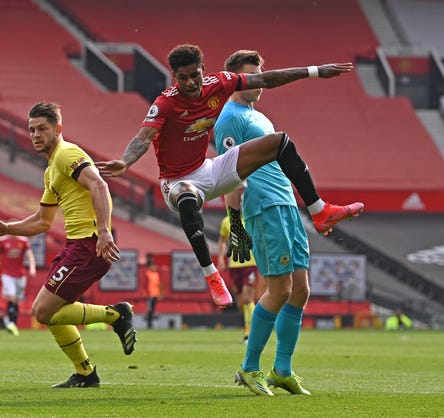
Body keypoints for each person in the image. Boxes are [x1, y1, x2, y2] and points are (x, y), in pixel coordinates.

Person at [96, 44, 364, 310]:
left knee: (279, 142)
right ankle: (212, 276)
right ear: (174, 77)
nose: (190, 82)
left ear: (203, 70)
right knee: (187, 198)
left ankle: (319, 211)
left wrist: (316, 71)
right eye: (182, 77)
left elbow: (266, 79)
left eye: (194, 75)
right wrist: (126, 161)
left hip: (209, 169)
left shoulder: (220, 83)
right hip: (177, 182)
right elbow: (143, 137)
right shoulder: (165, 103)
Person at [0, 101, 137, 388]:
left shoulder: (67, 154)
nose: (36, 135)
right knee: (52, 312)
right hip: (75, 246)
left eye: (42, 128)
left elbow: (99, 185)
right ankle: (86, 373)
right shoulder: (52, 169)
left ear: (58, 129)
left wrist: (103, 232)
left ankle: (115, 315)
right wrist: (6, 228)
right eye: (32, 130)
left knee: (43, 312)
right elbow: (42, 221)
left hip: (88, 244)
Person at [214, 50, 319, 396]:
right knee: (280, 289)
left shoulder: (257, 116)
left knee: (301, 289)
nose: (259, 82)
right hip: (264, 208)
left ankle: (283, 370)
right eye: (251, 76)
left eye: (261, 75)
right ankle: (248, 367)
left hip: (287, 205)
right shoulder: (230, 118)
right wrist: (236, 225)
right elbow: (228, 174)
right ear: (235, 78)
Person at [217, 200, 257, 344]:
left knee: (247, 298)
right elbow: (222, 241)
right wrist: (221, 258)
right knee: (241, 302)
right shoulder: (226, 222)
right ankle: (248, 329)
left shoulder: (250, 219)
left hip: (250, 264)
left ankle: (250, 333)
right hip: (234, 265)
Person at [0, 232, 37, 336]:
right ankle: (11, 323)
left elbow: (30, 255)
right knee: (11, 297)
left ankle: (13, 323)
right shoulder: (3, 241)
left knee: (16, 300)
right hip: (7, 274)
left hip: (20, 275)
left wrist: (32, 267)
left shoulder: (24, 241)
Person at [144, 256, 161, 329]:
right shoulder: (148, 273)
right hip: (149, 295)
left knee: (153, 310)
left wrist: (160, 293)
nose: (155, 267)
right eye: (153, 266)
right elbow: (145, 284)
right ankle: (149, 324)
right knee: (150, 310)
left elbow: (158, 285)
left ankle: (150, 324)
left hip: (155, 295)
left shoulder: (156, 274)